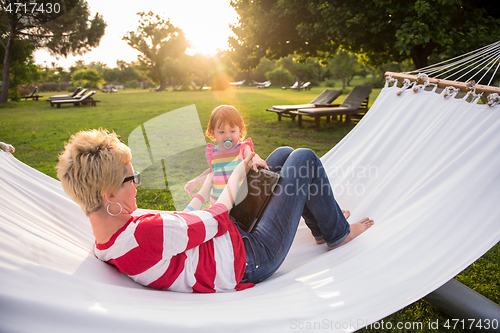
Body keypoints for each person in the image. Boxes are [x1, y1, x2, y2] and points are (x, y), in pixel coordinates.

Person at [57, 128, 373, 293]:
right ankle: (336, 234)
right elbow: (219, 213)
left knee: (280, 156)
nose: (137, 185)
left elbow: (179, 227)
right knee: (302, 158)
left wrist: (204, 189)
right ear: (109, 193)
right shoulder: (141, 233)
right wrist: (238, 169)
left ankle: (321, 226)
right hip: (252, 257)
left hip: (231, 238)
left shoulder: (110, 238)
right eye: (132, 178)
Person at [183, 105, 268, 210]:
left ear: (240, 131)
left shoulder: (242, 148)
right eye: (222, 132)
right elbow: (212, 172)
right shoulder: (214, 153)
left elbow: (251, 155)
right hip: (217, 204)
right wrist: (196, 181)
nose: (227, 136)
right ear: (213, 133)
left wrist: (257, 160)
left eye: (232, 131)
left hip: (239, 204)